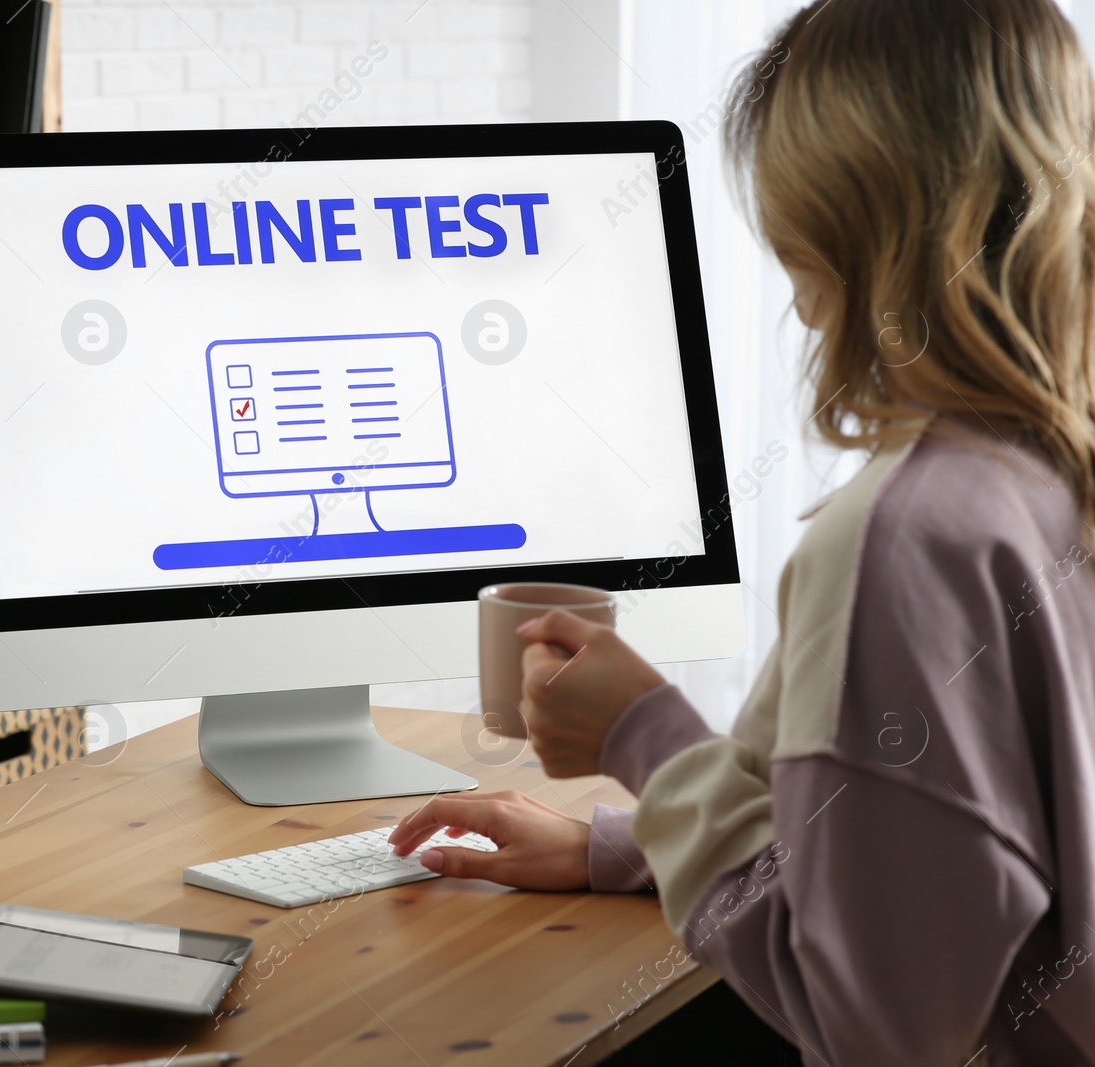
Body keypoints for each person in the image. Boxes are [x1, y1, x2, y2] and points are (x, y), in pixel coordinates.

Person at [388, 1, 1095, 1064]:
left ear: (841, 238)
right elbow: (942, 860)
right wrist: (620, 842)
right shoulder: (1049, 470)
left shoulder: (906, 540)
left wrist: (642, 737)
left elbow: (878, 1029)